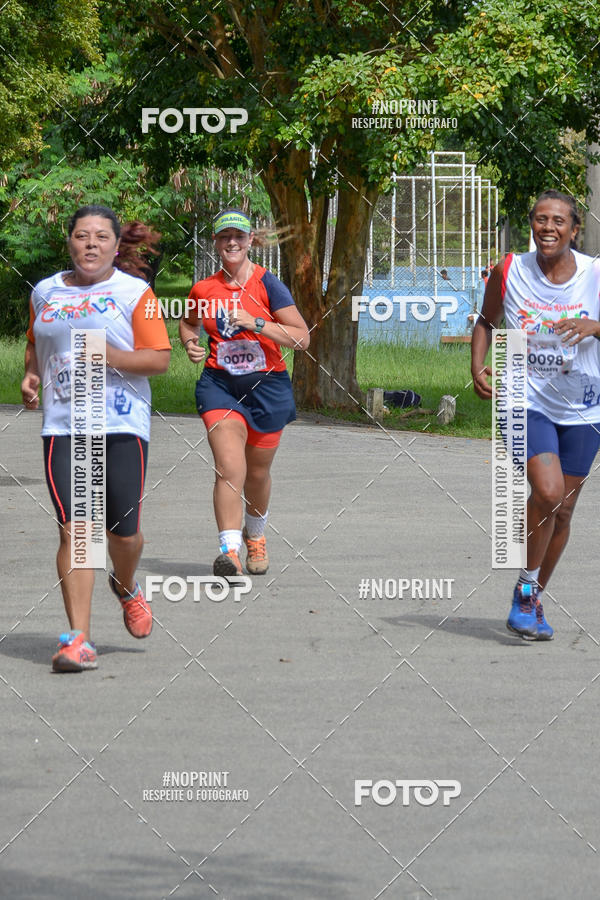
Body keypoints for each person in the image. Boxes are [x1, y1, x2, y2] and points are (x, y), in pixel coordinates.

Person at [21, 205, 171, 672]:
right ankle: (77, 639)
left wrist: (110, 355)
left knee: (123, 535)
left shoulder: (134, 293)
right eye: (82, 235)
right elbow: (35, 341)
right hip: (65, 425)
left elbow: (159, 360)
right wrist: (30, 375)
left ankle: (125, 585)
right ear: (69, 241)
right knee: (77, 529)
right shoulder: (45, 291)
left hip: (121, 423)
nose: (91, 244)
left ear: (114, 245)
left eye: (101, 237)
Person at [471, 190, 600, 640]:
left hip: (584, 403)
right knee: (546, 493)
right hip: (522, 395)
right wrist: (476, 366)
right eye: (541, 220)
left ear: (574, 229)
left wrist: (595, 326)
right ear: (532, 225)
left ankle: (530, 596)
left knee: (563, 512)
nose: (549, 228)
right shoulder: (511, 269)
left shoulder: (594, 275)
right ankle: (526, 590)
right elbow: (486, 320)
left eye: (559, 221)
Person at [179, 208, 309, 577]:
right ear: (216, 244)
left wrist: (258, 323)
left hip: (268, 388)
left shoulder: (269, 285)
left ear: (250, 241)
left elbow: (302, 338)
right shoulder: (203, 289)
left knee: (256, 475)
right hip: (220, 386)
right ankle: (230, 552)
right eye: (224, 237)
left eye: (238, 236)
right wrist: (190, 344)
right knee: (229, 469)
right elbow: (188, 324)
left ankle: (256, 538)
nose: (231, 243)